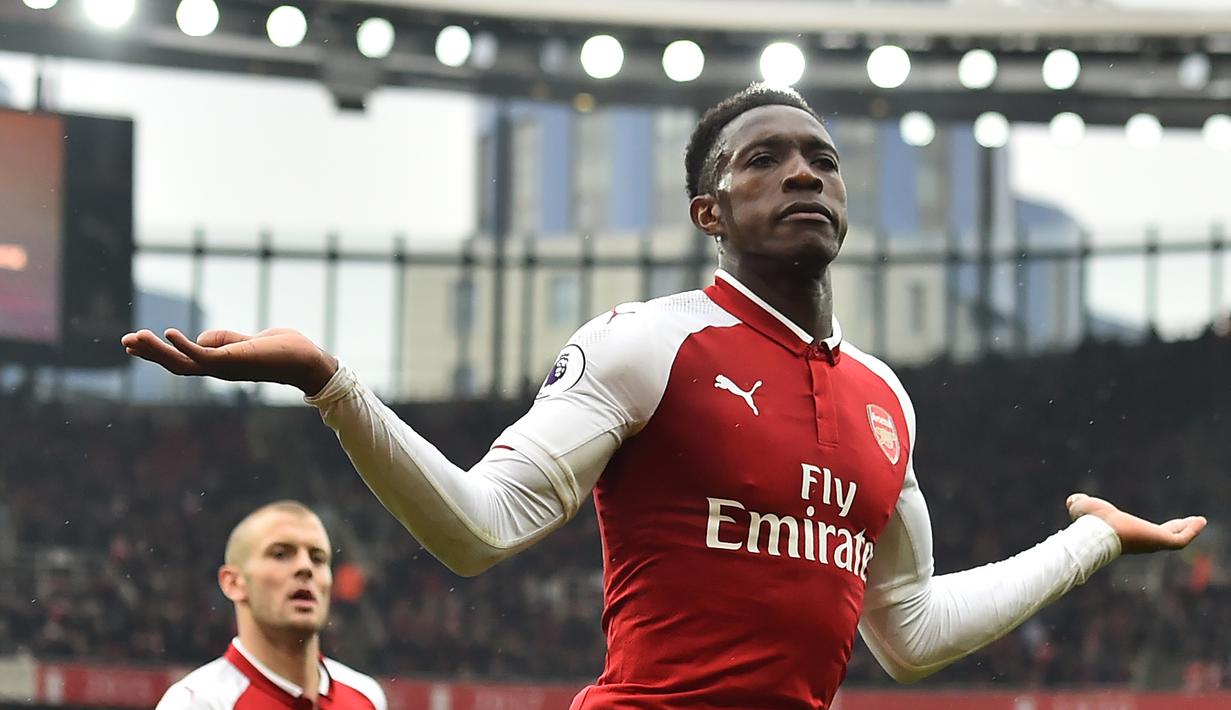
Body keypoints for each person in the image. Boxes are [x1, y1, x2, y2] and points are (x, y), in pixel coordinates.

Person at [125, 85, 1206, 709]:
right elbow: (476, 529)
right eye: (765, 159)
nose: (802, 174)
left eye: (821, 161)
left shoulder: (887, 400)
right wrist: (330, 381)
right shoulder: (646, 341)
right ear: (708, 210)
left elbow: (908, 631)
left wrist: (1091, 543)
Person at [155, 501, 386, 709]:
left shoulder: (366, 697)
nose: (305, 567)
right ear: (233, 583)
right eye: (280, 554)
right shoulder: (198, 702)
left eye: (318, 558)